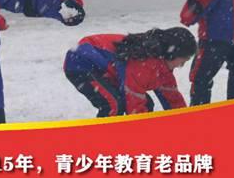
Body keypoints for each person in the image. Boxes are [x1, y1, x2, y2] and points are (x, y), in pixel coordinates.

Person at [63, 27, 196, 117]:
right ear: (173, 54)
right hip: (81, 63)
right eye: (183, 60)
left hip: (107, 69)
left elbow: (172, 97)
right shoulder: (144, 63)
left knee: (146, 104)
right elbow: (134, 101)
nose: (181, 65)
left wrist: (184, 123)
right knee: (113, 105)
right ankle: (102, 141)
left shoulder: (162, 66)